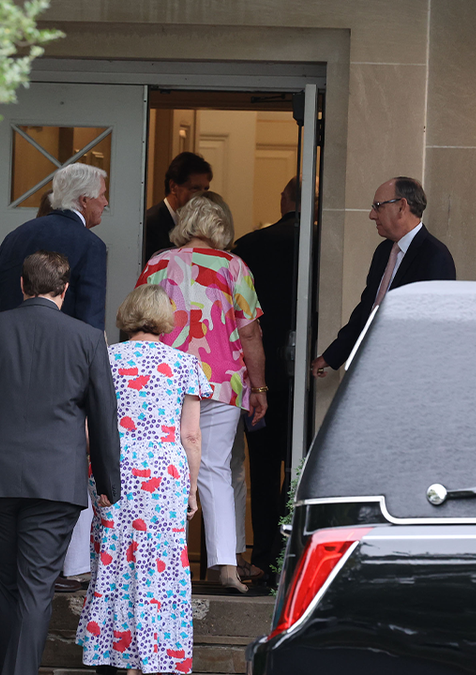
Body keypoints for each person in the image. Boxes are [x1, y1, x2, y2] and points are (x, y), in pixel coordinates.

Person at [0, 251, 121, 675]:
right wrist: (106, 480)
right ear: (64, 291)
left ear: (22, 285)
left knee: (4, 588)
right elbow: (103, 414)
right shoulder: (87, 338)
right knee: (36, 589)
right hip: (57, 482)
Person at [137, 191, 266, 593]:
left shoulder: (158, 263)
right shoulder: (235, 266)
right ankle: (226, 565)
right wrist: (259, 387)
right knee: (214, 469)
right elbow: (250, 332)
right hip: (223, 381)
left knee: (165, 467)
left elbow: (140, 323)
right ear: (221, 227)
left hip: (166, 378)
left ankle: (162, 564)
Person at [77, 284, 210, 674]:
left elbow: (89, 430)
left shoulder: (105, 359)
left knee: (112, 558)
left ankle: (111, 654)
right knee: (160, 564)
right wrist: (192, 491)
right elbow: (191, 436)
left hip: (113, 469)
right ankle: (153, 656)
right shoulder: (185, 364)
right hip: (163, 474)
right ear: (165, 319)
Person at [312, 177, 456, 378]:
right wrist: (333, 355)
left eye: (378, 207)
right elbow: (367, 309)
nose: (372, 215)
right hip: (371, 369)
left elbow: (435, 327)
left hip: (407, 374)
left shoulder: (435, 256)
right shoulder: (384, 251)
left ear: (401, 206)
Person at [231, 177, 300, 581]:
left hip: (257, 372)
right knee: (297, 468)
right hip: (304, 372)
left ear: (282, 199)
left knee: (261, 465)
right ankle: (287, 558)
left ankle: (261, 557)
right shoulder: (322, 242)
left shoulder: (250, 247)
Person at [0, 163, 109, 330]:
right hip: (61, 351)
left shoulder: (15, 236)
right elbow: (91, 320)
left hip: (8, 348)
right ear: (84, 200)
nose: (105, 202)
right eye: (102, 195)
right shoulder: (91, 245)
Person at [142, 152, 212, 262]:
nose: (202, 196)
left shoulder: (202, 225)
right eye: (195, 188)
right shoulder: (149, 225)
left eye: (205, 189)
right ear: (173, 187)